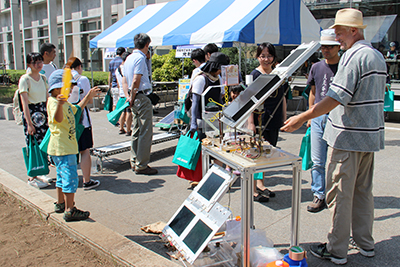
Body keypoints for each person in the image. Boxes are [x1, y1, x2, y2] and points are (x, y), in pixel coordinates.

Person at [281, 8, 386, 265]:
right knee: (363, 192)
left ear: (353, 30)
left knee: (339, 194)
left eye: (338, 32)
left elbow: (336, 97)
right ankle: (365, 243)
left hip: (348, 137)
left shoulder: (353, 56)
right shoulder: (376, 56)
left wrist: (301, 117)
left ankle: (337, 249)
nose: (336, 38)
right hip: (369, 138)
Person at [47, 69, 100, 221]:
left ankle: (60, 203)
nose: (71, 90)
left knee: (61, 176)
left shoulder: (65, 103)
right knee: (70, 178)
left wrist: (88, 96)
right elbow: (57, 119)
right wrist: (60, 104)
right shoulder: (54, 103)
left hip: (62, 148)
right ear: (57, 88)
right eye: (68, 86)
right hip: (64, 148)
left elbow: (77, 108)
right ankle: (70, 209)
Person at [305, 29, 341, 213]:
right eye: (323, 46)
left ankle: (335, 196)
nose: (326, 49)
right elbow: (313, 91)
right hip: (319, 116)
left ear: (338, 47)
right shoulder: (316, 67)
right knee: (317, 160)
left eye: (330, 46)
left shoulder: (345, 65)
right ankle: (319, 194)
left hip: (339, 117)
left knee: (336, 161)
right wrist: (310, 116)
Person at [248, 42, 287, 200]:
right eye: (262, 56)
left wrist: (284, 118)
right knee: (256, 154)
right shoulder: (254, 75)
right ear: (257, 57)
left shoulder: (278, 74)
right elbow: (248, 101)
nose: (266, 59)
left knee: (267, 153)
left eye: (269, 55)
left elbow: (282, 97)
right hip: (259, 120)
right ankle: (253, 189)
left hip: (274, 119)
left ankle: (260, 183)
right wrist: (250, 123)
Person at [122, 33, 158, 175]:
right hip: (141, 96)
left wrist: (128, 96)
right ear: (147, 45)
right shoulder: (140, 58)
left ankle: (134, 160)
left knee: (136, 130)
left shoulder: (129, 57)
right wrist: (132, 96)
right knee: (145, 132)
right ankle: (141, 164)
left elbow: (125, 80)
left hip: (133, 97)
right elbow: (136, 80)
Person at [19, 52, 51, 188]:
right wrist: (29, 124)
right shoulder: (25, 79)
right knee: (32, 144)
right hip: (32, 113)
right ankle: (32, 175)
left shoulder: (43, 78)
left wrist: (49, 116)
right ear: (29, 64)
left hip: (43, 112)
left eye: (40, 62)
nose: (38, 65)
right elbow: (25, 103)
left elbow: (47, 99)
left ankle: (42, 170)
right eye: (35, 63)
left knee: (44, 143)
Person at [68, 57, 100, 190]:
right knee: (84, 150)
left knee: (70, 152)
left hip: (67, 119)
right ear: (79, 66)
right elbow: (90, 101)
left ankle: (70, 180)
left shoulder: (62, 79)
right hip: (81, 120)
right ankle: (87, 181)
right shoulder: (82, 79)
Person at [189, 52, 229, 138]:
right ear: (216, 67)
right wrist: (193, 122)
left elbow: (220, 97)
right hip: (201, 121)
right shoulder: (201, 79)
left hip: (215, 120)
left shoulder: (218, 79)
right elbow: (195, 102)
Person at [115, 51, 132, 135]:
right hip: (127, 93)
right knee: (129, 111)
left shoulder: (117, 69)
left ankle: (121, 128)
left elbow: (118, 83)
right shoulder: (127, 68)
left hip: (121, 92)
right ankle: (128, 130)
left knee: (123, 111)